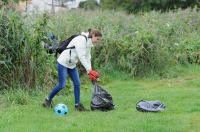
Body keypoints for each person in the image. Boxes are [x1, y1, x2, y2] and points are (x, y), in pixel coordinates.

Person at [42, 28, 102, 111]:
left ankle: (77, 106)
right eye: (97, 39)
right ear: (93, 35)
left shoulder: (89, 43)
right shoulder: (81, 40)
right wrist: (90, 71)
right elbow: (81, 57)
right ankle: (47, 100)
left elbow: (88, 57)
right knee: (61, 85)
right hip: (63, 62)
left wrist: (90, 72)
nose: (98, 41)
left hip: (71, 64)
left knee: (77, 83)